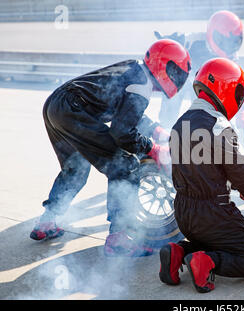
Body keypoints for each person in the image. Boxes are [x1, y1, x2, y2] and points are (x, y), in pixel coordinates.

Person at [31, 39, 191, 257]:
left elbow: (126, 113)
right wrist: (153, 148)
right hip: (73, 109)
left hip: (56, 106)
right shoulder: (141, 85)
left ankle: (47, 221)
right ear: (165, 65)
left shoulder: (135, 71)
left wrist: (156, 130)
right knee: (126, 166)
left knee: (75, 169)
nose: (178, 78)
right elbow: (122, 133)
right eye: (177, 72)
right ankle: (119, 238)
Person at [159, 58, 244, 293]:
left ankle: (179, 252)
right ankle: (209, 262)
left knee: (216, 240)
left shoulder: (178, 124)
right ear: (227, 88)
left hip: (183, 213)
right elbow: (241, 173)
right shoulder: (218, 126)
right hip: (214, 214)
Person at [154, 10, 244, 145]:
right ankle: (164, 136)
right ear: (213, 34)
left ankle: (206, 141)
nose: (230, 47)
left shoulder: (231, 54)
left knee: (208, 112)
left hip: (204, 83)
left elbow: (235, 85)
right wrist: (166, 42)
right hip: (184, 77)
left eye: (234, 42)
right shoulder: (191, 41)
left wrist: (241, 115)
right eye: (226, 41)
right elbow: (170, 43)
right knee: (172, 96)